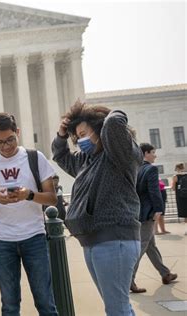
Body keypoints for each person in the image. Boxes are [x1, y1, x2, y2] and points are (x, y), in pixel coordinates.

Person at [52, 101, 141, 315]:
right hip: (94, 240)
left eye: (84, 133)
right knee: (117, 307)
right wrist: (62, 135)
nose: (80, 139)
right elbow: (61, 157)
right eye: (77, 136)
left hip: (114, 238)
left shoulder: (118, 154)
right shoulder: (88, 160)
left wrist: (111, 114)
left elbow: (113, 124)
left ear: (100, 129)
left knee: (117, 308)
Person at [0, 112, 58, 316]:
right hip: (3, 241)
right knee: (10, 305)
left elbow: (52, 198)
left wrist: (28, 195)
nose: (6, 146)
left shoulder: (34, 157)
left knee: (46, 302)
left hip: (34, 237)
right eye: (0, 142)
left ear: (18, 132)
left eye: (10, 139)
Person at [130, 143, 177, 293]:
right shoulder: (151, 169)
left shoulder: (134, 168)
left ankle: (165, 273)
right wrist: (158, 209)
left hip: (136, 212)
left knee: (150, 246)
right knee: (142, 246)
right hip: (147, 214)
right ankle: (129, 279)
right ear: (145, 153)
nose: (155, 155)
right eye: (153, 152)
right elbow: (154, 191)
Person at [171, 163, 187, 235]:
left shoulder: (175, 176)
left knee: (185, 214)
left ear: (177, 168)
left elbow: (173, 188)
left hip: (181, 198)